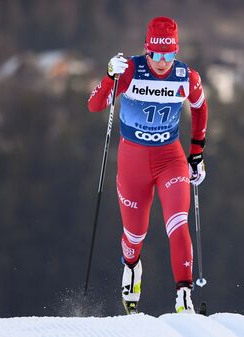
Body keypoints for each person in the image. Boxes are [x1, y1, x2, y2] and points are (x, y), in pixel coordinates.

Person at [87, 16, 208, 314]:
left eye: (169, 55)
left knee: (178, 223)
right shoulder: (128, 71)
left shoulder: (186, 77)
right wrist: (108, 77)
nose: (163, 62)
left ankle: (183, 294)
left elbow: (200, 108)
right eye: (156, 54)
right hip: (133, 162)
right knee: (134, 236)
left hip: (170, 159)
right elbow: (95, 104)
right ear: (146, 49)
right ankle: (131, 267)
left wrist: (196, 154)